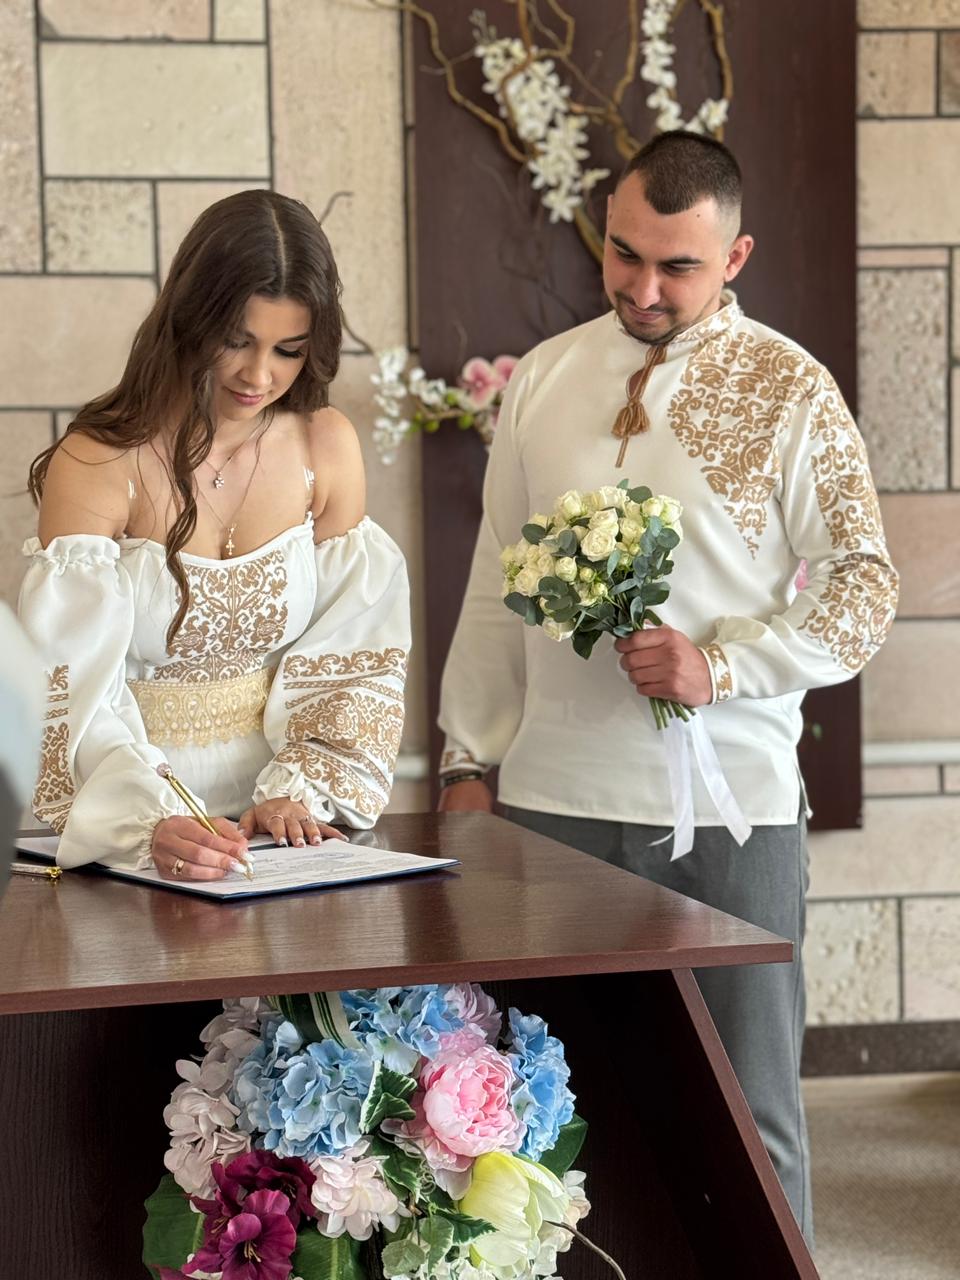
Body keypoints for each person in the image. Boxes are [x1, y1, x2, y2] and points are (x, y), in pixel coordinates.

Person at [436, 132, 898, 1243]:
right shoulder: (543, 376)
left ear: (734, 257)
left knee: (749, 1115)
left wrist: (723, 665)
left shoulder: (791, 388)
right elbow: (496, 582)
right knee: (539, 1121)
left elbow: (865, 587)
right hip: (548, 808)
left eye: (677, 266)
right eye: (624, 253)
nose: (643, 288)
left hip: (729, 808)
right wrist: (465, 760)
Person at [19, 190, 410, 880]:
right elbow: (69, 682)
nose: (259, 375)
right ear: (190, 318)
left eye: (289, 350)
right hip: (132, 828)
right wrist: (148, 821)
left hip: (281, 836)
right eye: (236, 340)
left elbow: (354, 654)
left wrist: (297, 792)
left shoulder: (325, 446)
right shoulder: (98, 462)